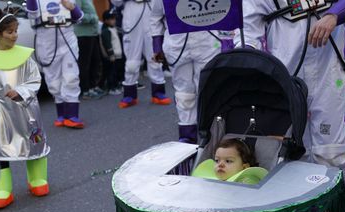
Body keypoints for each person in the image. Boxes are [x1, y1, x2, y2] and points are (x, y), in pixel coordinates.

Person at [234, 0, 345, 189]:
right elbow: (247, 32)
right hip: (286, 78)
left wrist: (334, 15)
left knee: (332, 154)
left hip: (328, 74)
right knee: (291, 155)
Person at [0, 7, 50, 209]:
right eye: (10, 32)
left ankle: (37, 180)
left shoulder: (26, 56)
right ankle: (2, 189)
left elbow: (35, 79)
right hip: (1, 114)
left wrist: (21, 91)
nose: (14, 35)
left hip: (26, 110)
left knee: (34, 143)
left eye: (16, 31)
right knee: (1, 149)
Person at [150, 0, 230, 143]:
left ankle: (211, 135)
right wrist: (157, 46)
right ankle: (187, 137)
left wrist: (227, 39)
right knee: (184, 95)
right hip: (177, 45)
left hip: (208, 42)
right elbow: (156, 17)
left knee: (209, 89)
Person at [26, 0, 85, 128]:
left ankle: (72, 116)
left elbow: (79, 17)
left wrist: (71, 7)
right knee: (53, 82)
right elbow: (32, 14)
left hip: (68, 41)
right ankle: (62, 115)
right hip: (46, 44)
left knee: (71, 77)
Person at [111, 0, 171, 108]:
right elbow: (116, 2)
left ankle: (158, 92)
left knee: (155, 57)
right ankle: (130, 95)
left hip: (151, 14)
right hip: (131, 16)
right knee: (132, 63)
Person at [192, 139, 268, 184]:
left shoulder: (248, 181)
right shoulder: (209, 178)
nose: (220, 164)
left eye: (228, 161)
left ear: (244, 167)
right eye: (217, 160)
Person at [75, 0, 105, 100]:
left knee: (95, 61)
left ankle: (93, 86)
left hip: (92, 33)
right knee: (85, 64)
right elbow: (76, 15)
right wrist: (94, 18)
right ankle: (85, 90)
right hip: (83, 34)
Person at [99, 9, 123, 95]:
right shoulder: (106, 31)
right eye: (111, 19)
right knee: (111, 73)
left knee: (117, 72)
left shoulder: (113, 28)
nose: (114, 20)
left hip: (118, 55)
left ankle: (116, 86)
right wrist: (111, 54)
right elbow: (107, 44)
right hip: (112, 57)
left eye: (114, 18)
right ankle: (111, 88)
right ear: (106, 20)